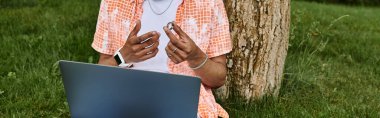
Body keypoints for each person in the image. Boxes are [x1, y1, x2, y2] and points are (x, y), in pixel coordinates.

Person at [91, 0, 232, 117]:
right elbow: (101, 72)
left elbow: (218, 79)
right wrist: (122, 57)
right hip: (126, 96)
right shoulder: (113, 2)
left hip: (181, 98)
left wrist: (196, 57)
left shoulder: (208, 3)